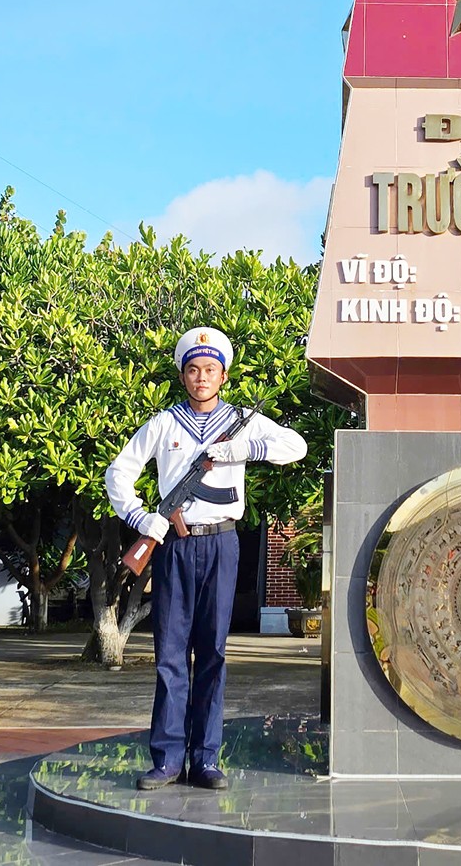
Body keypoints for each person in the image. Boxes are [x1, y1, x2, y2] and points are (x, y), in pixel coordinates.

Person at [105, 327, 307, 790]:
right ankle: (167, 759)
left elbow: (296, 447)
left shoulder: (240, 420)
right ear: (182, 375)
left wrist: (244, 448)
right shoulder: (163, 423)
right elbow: (119, 473)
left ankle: (207, 759)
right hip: (175, 544)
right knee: (170, 654)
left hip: (221, 543)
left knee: (213, 652)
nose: (202, 377)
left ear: (224, 375)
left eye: (210, 370)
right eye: (193, 369)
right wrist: (140, 517)